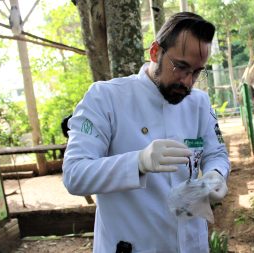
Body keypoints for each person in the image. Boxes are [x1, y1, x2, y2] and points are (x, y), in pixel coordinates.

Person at [62, 12, 230, 253]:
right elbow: (75, 175)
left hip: (192, 243)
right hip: (131, 245)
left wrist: (216, 173)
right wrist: (138, 162)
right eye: (181, 67)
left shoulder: (200, 103)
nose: (187, 82)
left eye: (196, 72)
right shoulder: (105, 98)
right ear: (155, 52)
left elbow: (216, 153)